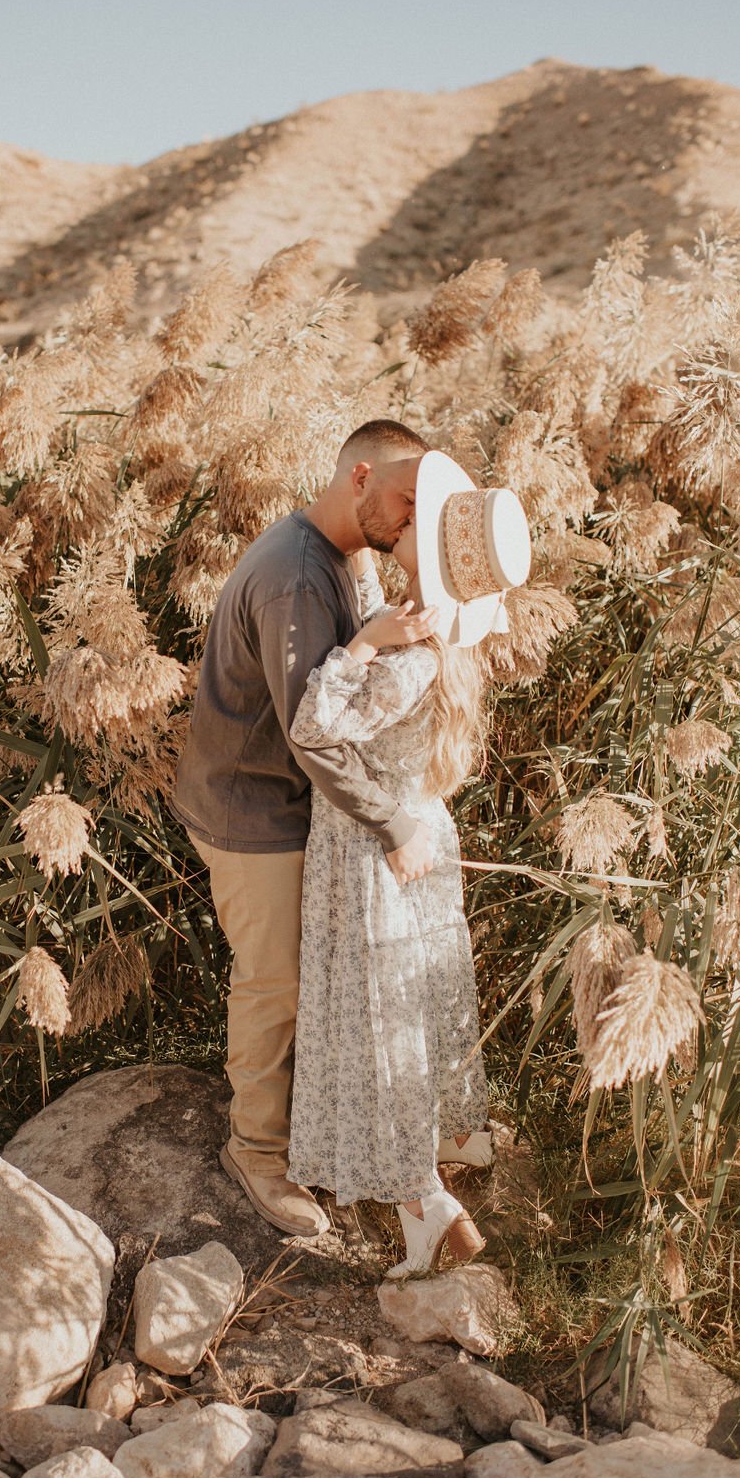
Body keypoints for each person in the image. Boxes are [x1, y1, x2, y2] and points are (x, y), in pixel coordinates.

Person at [172, 419, 445, 1238]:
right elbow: (310, 733)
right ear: (360, 476)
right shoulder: (297, 576)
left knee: (308, 975)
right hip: (250, 809)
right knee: (276, 982)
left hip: (285, 802)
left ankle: (316, 1129)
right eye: (406, 498)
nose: (412, 517)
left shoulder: (345, 552)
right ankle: (255, 1151)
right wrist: (392, 821)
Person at [286, 448, 531, 1273]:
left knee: (377, 1028)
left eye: (421, 521)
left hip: (371, 852)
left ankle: (425, 1205)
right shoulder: (448, 647)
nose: (407, 519)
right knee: (408, 1014)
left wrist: (360, 645)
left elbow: (313, 727)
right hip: (420, 834)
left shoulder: (408, 654)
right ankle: (436, 1175)